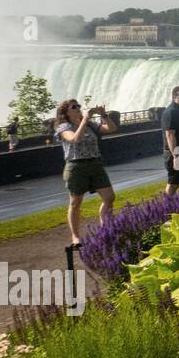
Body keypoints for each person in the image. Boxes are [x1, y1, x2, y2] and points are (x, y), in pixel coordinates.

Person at [52, 99, 118, 250]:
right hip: (76, 167)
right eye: (74, 107)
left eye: (78, 106)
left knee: (109, 197)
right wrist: (85, 120)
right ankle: (75, 236)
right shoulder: (63, 127)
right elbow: (75, 139)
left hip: (95, 164)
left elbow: (111, 128)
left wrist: (103, 115)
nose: (78, 108)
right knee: (76, 203)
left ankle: (106, 229)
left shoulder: (90, 125)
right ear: (65, 112)